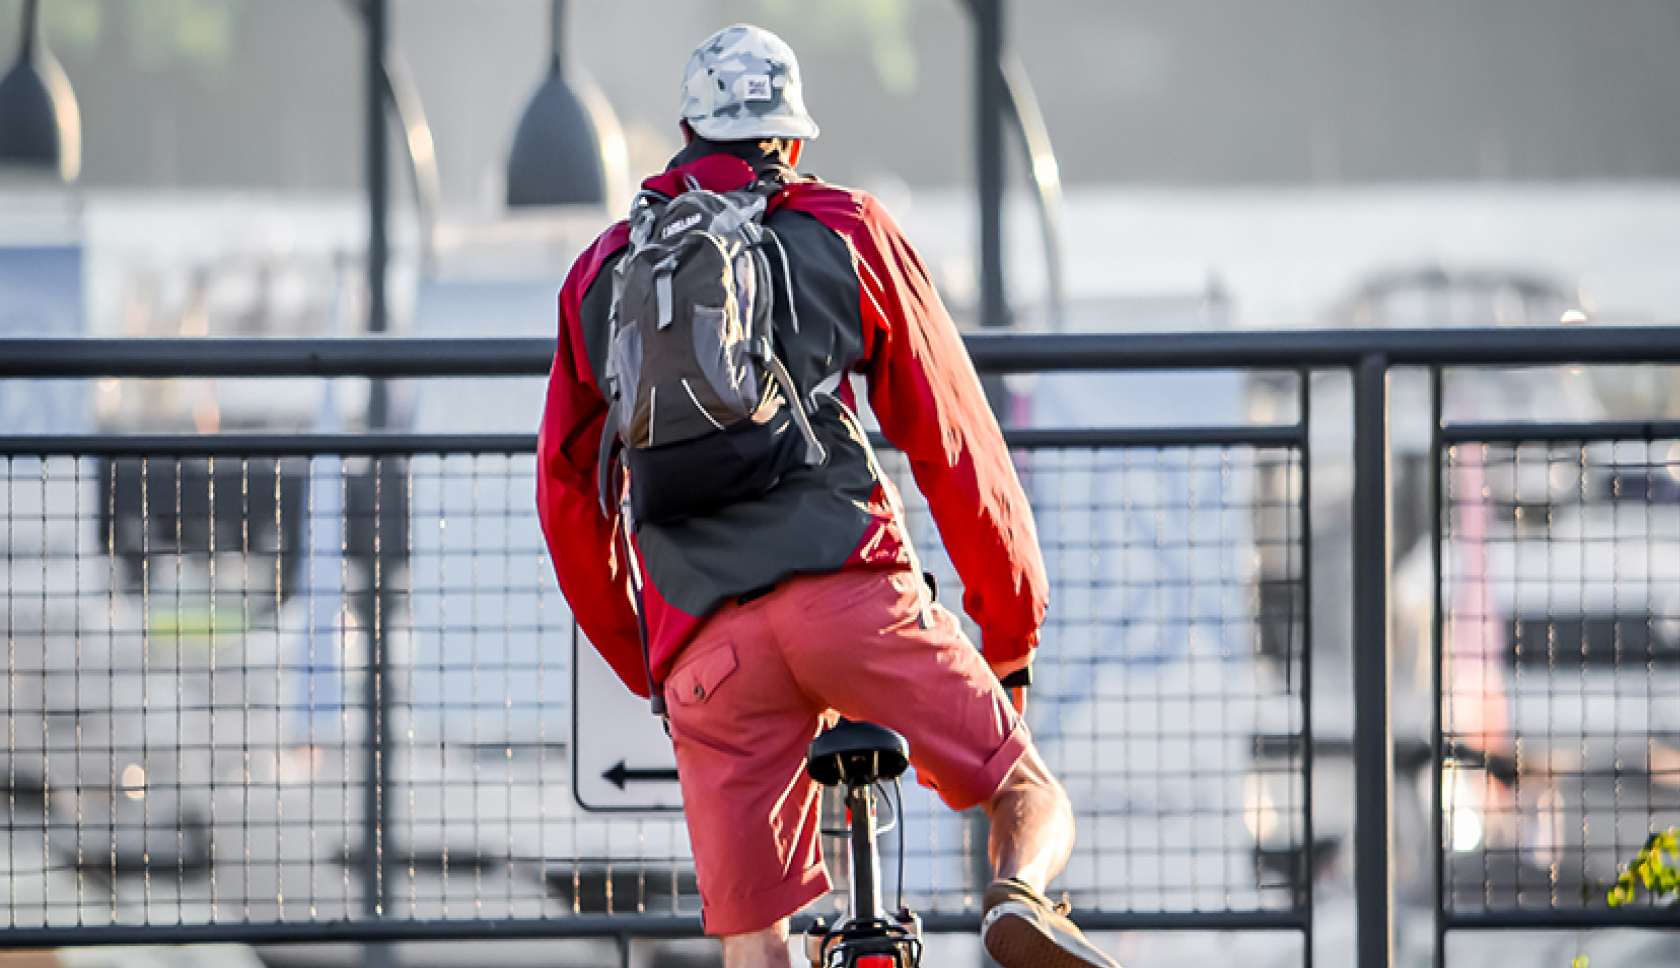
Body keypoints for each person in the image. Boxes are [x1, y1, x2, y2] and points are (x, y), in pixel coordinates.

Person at [536, 24, 1120, 968]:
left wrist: (654, 660)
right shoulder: (844, 229)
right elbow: (955, 442)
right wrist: (1008, 634)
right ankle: (1017, 899)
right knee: (1026, 790)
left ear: (684, 133)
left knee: (754, 945)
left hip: (705, 651)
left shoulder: (600, 278)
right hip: (853, 603)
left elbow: (569, 500)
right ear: (793, 141)